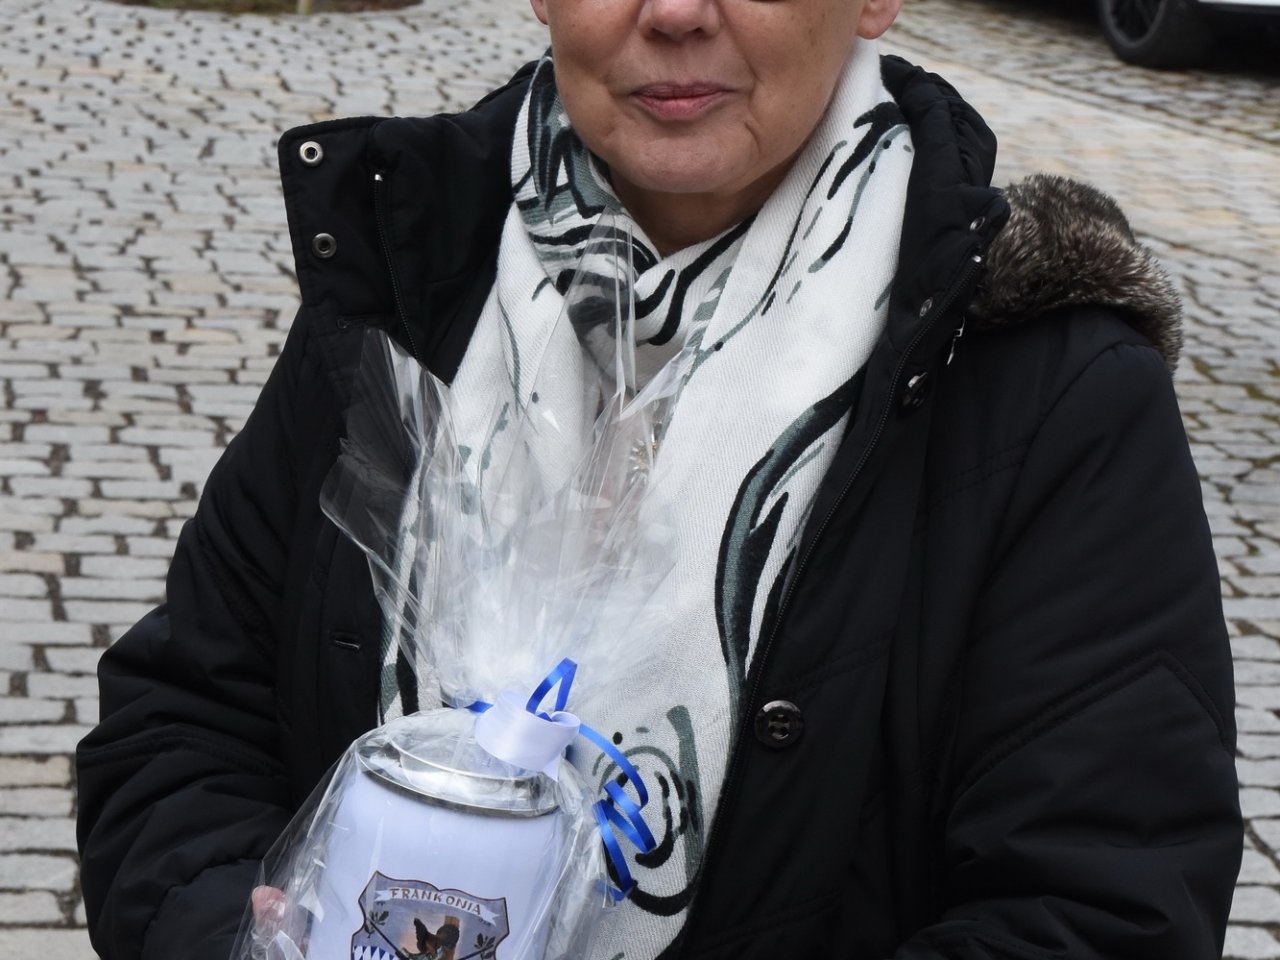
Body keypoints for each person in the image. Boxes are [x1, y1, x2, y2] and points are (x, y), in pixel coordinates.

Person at [76, 0, 1243, 957]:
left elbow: (1104, 905)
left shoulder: (1046, 389)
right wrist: (238, 936)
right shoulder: (408, 287)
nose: (675, 13)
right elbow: (180, 724)